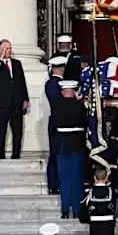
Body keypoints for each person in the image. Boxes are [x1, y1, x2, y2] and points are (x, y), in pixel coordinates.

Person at [0, 39, 29, 159]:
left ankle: (16, 153)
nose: (9, 51)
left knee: (17, 129)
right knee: (1, 128)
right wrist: (1, 59)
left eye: (10, 48)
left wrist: (25, 98)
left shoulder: (17, 63)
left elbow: (22, 82)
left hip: (16, 101)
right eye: (6, 48)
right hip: (3, 102)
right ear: (1, 49)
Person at [53, 80, 87, 218]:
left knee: (64, 178)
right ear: (73, 92)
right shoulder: (79, 106)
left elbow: (52, 126)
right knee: (77, 178)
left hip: (61, 144)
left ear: (62, 92)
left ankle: (65, 210)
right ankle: (77, 211)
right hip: (77, 145)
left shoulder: (56, 106)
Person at [80, 167, 118, 235]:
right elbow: (116, 209)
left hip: (95, 228)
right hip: (108, 228)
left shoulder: (89, 193)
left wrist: (89, 220)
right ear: (106, 178)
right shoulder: (112, 192)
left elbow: (82, 213)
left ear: (94, 178)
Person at [45, 56, 67, 194]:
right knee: (56, 154)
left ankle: (55, 183)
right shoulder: (56, 84)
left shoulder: (52, 83)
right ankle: (54, 183)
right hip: (59, 122)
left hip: (56, 121)